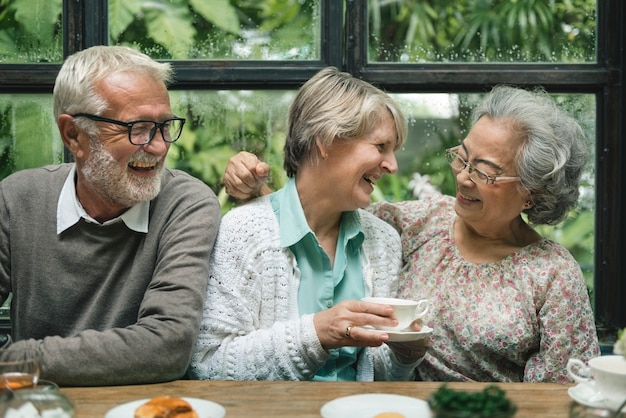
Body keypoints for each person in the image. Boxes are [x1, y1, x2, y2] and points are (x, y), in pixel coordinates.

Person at [221, 84, 600, 383]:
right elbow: (319, 206)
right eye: (462, 157)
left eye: (483, 170)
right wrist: (257, 190)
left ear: (532, 191)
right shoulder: (423, 223)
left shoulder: (552, 274)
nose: (462, 177)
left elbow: (567, 391)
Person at [189, 67, 429, 382]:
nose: (392, 165)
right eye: (381, 146)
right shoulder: (243, 231)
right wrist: (317, 333)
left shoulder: (382, 241)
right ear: (326, 140)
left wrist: (404, 356)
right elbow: (207, 365)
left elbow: (378, 375)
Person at [0, 45, 221, 386]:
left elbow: (167, 346)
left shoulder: (186, 203)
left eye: (164, 126)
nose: (159, 146)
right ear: (74, 135)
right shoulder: (16, 200)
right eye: (137, 128)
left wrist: (16, 361)